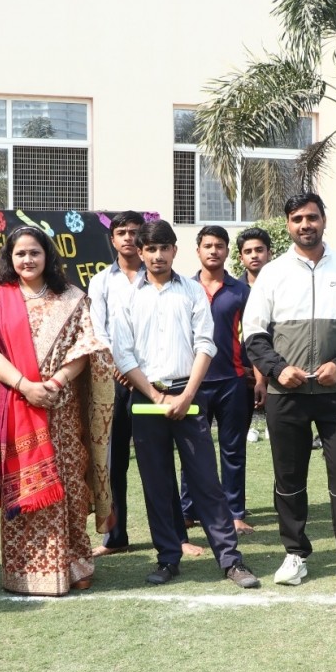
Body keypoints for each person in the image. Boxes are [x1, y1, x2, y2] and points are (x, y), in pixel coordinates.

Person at [243, 193, 336, 592]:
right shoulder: (273, 273)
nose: (306, 224)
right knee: (288, 477)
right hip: (286, 395)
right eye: (298, 218)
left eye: (313, 217)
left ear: (324, 220)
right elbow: (253, 333)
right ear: (288, 224)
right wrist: (277, 369)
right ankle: (295, 553)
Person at [112, 220, 259, 588]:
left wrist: (187, 395)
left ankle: (230, 560)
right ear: (140, 252)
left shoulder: (192, 291)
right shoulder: (127, 296)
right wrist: (156, 396)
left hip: (189, 396)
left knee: (206, 481)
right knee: (157, 483)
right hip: (146, 398)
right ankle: (167, 558)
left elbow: (206, 344)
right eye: (150, 249)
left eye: (164, 248)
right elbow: (123, 354)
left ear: (175, 251)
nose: (157, 255)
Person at [0, 226, 114, 596]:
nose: (28, 260)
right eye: (20, 253)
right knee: (23, 483)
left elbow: (87, 348)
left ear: (47, 256)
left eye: (34, 252)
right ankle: (25, 568)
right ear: (10, 258)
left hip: (61, 404)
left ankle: (76, 562)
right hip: (16, 403)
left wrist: (55, 383)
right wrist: (25, 386)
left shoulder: (72, 298)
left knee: (68, 482)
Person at [87, 211, 195, 557]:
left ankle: (177, 536)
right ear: (113, 239)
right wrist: (121, 369)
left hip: (160, 383)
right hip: (115, 381)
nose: (129, 238)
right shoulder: (102, 282)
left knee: (162, 460)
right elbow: (98, 330)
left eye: (135, 232)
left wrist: (143, 377)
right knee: (115, 460)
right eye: (121, 232)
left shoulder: (165, 281)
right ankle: (115, 537)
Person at [181, 225, 255, 535]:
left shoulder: (241, 291)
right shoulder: (183, 289)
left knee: (233, 450)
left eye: (219, 246)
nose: (213, 251)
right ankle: (187, 511)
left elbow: (254, 335)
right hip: (191, 383)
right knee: (192, 451)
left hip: (232, 381)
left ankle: (235, 513)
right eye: (208, 245)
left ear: (227, 251)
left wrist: (257, 376)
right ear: (198, 251)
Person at [236, 226, 273, 411]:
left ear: (269, 253)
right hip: (242, 373)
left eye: (259, 250)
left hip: (278, 370)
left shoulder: (283, 288)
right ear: (241, 257)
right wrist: (240, 368)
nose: (254, 255)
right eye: (248, 251)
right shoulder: (233, 292)